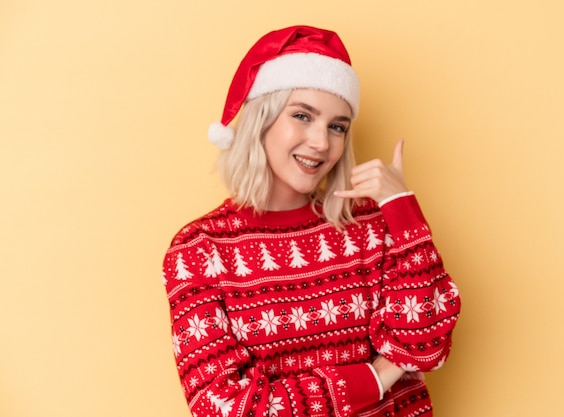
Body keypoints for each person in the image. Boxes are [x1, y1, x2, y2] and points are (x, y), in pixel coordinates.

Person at [162, 25, 461, 417]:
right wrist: (377, 377)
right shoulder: (198, 250)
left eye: (338, 126)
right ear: (262, 121)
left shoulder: (371, 225)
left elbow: (427, 344)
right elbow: (226, 408)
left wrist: (400, 207)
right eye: (303, 116)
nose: (322, 142)